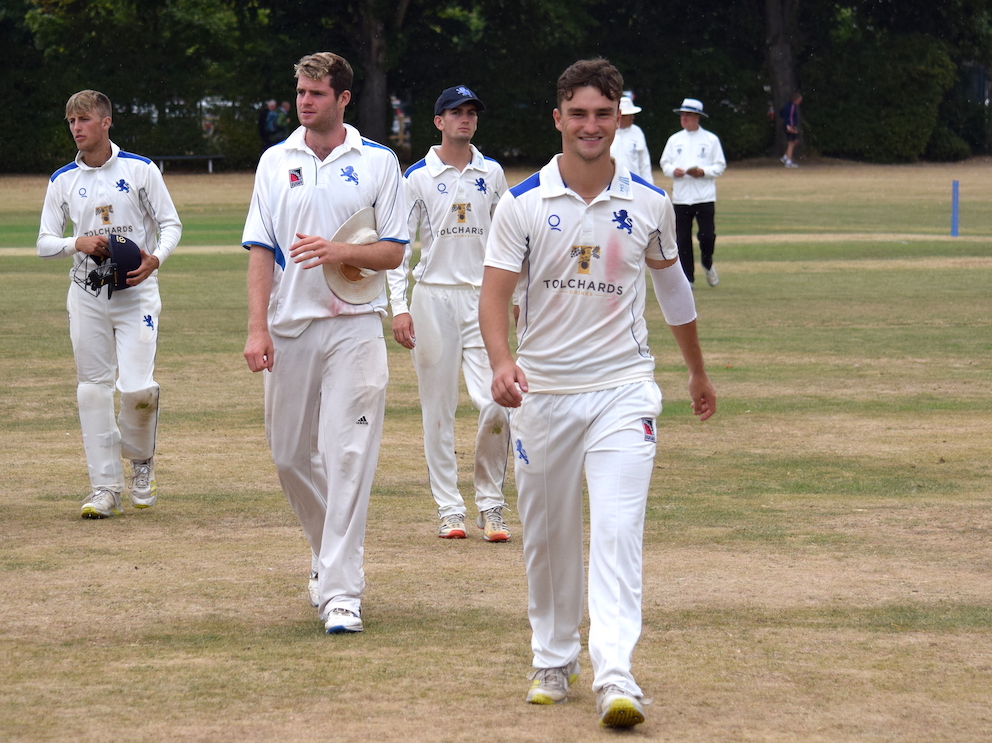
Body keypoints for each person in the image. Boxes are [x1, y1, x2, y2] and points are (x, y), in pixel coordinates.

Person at [479, 58, 716, 729]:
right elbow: (493, 296)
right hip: (544, 394)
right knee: (550, 534)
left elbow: (673, 290)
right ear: (558, 118)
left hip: (622, 392)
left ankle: (617, 673)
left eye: (603, 114)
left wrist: (696, 371)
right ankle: (554, 657)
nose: (590, 125)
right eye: (578, 113)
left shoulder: (649, 202)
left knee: (617, 531)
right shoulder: (522, 203)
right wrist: (501, 361)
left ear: (619, 120)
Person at [242, 52, 408, 635]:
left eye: (316, 92)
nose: (304, 101)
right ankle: (327, 555)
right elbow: (261, 248)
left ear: (342, 98)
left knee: (347, 456)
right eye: (300, 91)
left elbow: (392, 251)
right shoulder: (274, 161)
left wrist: (338, 252)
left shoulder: (378, 161)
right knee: (290, 456)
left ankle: (342, 593)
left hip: (356, 325)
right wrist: (256, 327)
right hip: (290, 327)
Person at [37, 89, 182, 518]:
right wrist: (74, 243)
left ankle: (141, 464)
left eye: (83, 120)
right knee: (92, 390)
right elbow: (44, 242)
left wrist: (156, 259)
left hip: (135, 293)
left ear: (106, 122)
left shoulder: (140, 170)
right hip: (86, 295)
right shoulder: (62, 179)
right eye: (71, 122)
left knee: (136, 387)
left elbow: (171, 224)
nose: (76, 128)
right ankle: (104, 488)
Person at [387, 86, 512, 542]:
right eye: (455, 113)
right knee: (438, 410)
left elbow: (509, 241)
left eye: (471, 113)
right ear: (438, 121)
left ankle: (491, 504)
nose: (465, 119)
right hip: (433, 298)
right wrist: (399, 307)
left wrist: (514, 297)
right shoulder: (417, 176)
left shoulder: (492, 172)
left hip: (483, 300)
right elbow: (399, 249)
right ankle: (448, 508)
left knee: (497, 402)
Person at [659, 98, 726, 287]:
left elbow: (720, 166)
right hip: (681, 197)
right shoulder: (674, 140)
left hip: (704, 196)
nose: (684, 118)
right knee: (682, 239)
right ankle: (688, 278)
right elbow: (665, 164)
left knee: (707, 236)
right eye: (682, 115)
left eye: (688, 115)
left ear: (697, 117)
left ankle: (707, 262)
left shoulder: (710, 140)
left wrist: (703, 172)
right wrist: (674, 171)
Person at [609, 94, 653, 183]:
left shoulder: (637, 131)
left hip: (634, 184)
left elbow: (644, 162)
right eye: (630, 115)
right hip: (611, 183)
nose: (633, 117)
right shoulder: (608, 132)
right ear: (621, 116)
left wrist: (649, 184)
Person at [780, 91, 802, 167]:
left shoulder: (790, 106)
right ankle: (788, 161)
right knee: (791, 143)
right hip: (789, 126)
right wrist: (790, 127)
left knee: (794, 141)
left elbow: (781, 113)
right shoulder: (791, 106)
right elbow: (790, 117)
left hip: (789, 125)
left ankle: (785, 157)